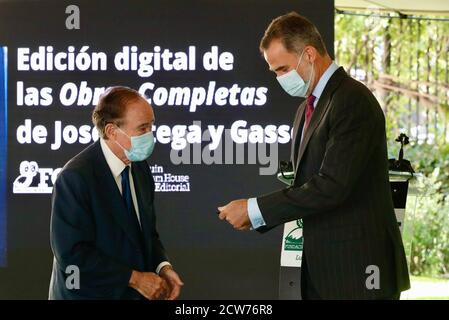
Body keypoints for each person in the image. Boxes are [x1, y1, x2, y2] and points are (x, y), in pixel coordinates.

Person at [218, 12, 410, 300]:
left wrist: (255, 210)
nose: (279, 78)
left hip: (359, 270)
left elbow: (331, 186)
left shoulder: (352, 100)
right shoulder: (306, 108)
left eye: (282, 69)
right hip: (322, 270)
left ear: (308, 54)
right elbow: (305, 184)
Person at [49, 86, 183, 299]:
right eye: (142, 129)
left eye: (151, 126)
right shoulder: (76, 177)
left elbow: (146, 232)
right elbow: (72, 256)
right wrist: (135, 279)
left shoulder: (139, 167)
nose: (150, 136)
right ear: (112, 131)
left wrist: (162, 268)